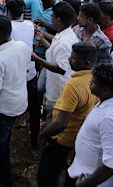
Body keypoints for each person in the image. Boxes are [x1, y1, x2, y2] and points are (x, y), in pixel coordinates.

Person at [37, 42, 99, 187]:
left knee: (46, 176)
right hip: (80, 139)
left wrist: (43, 134)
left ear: (86, 62)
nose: (69, 60)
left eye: (74, 58)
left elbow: (61, 123)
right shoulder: (95, 80)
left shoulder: (73, 85)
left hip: (63, 139)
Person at [67, 64, 113, 187]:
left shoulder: (109, 118)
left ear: (106, 90)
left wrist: (84, 184)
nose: (90, 83)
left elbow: (112, 164)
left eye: (94, 82)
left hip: (92, 178)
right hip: (85, 169)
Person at [0, 15, 30, 186]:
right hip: (20, 100)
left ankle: (6, 178)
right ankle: (1, 153)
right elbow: (25, 68)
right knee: (4, 133)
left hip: (6, 105)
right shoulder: (22, 46)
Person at [32, 2, 80, 115]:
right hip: (54, 86)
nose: (50, 18)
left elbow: (61, 68)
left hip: (59, 92)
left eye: (52, 15)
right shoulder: (64, 34)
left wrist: (37, 59)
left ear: (58, 20)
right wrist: (42, 39)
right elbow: (55, 52)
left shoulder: (64, 42)